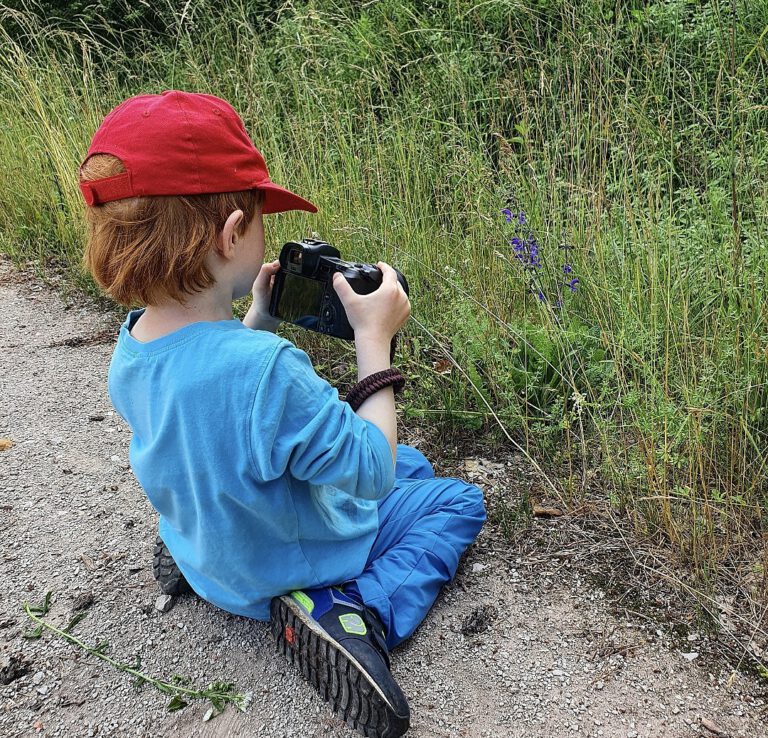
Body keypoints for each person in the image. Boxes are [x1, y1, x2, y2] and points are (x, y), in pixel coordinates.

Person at [79, 90, 486, 738]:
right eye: (261, 218)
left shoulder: (132, 348)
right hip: (286, 560)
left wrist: (260, 314)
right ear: (233, 232)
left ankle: (187, 552)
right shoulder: (264, 369)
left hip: (215, 549)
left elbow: (210, 401)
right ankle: (351, 615)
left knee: (412, 459)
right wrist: (373, 342)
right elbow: (371, 472)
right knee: (452, 498)